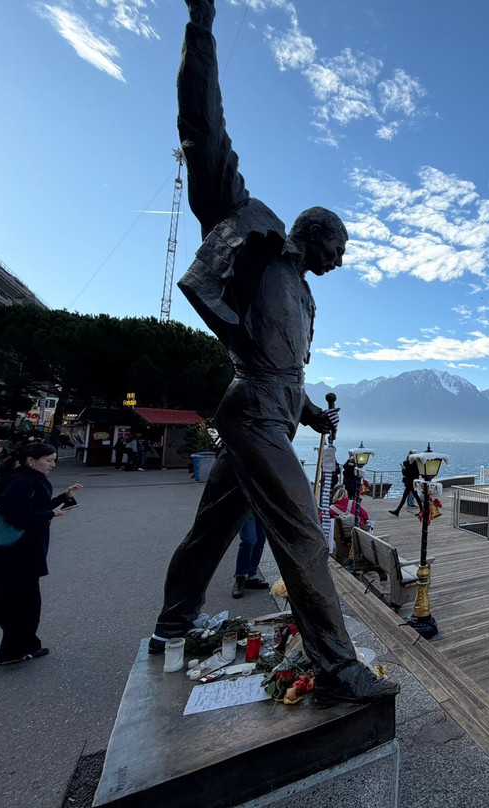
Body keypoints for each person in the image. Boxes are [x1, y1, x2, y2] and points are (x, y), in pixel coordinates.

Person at [149, 0, 396, 706]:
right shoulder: (256, 239)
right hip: (253, 412)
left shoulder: (303, 296)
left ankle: (172, 625)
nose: (341, 262)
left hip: (265, 412)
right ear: (314, 233)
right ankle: (339, 669)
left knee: (211, 531)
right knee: (303, 535)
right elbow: (206, 133)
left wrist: (311, 413)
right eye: (339, 249)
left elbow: (284, 370)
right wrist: (201, 27)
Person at [0, 443, 82, 665]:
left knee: (10, 602)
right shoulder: (23, 480)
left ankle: (16, 650)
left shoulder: (27, 478)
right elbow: (15, 515)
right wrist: (50, 514)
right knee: (20, 604)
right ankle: (17, 650)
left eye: (54, 460)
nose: (53, 464)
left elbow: (33, 507)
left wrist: (64, 498)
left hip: (14, 554)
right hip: (13, 554)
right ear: (30, 460)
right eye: (48, 460)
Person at [231, 514, 270, 598]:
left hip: (262, 509)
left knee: (260, 542)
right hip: (247, 509)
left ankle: (251, 577)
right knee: (249, 540)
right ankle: (240, 577)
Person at [329, 484, 369, 563]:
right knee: (367, 525)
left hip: (339, 534)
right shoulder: (353, 503)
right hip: (354, 531)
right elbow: (365, 515)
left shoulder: (332, 508)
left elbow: (321, 517)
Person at [390, 451, 422, 517]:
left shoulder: (407, 463)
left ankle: (397, 511)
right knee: (412, 496)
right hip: (412, 482)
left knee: (409, 497)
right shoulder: (416, 463)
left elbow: (405, 473)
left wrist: (404, 469)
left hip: (411, 482)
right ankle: (397, 511)